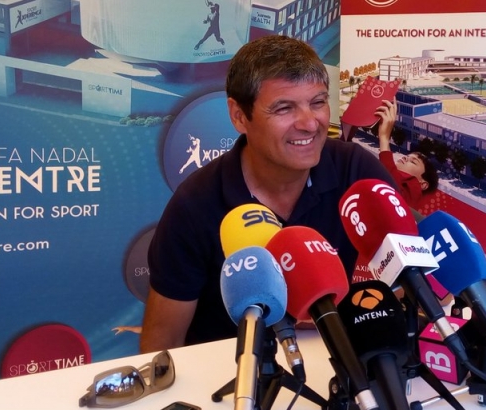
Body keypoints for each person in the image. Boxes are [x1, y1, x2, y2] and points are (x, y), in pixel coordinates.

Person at [140, 35, 396, 353]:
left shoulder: (355, 169)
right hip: (230, 384)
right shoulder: (195, 205)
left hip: (339, 370)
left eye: (317, 102)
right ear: (238, 116)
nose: (309, 123)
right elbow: (162, 344)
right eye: (284, 108)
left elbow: (406, 277)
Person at [373, 99, 438, 208]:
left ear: (423, 184)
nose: (405, 159)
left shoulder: (413, 192)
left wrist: (384, 138)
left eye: (413, 162)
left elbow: (391, 185)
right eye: (408, 157)